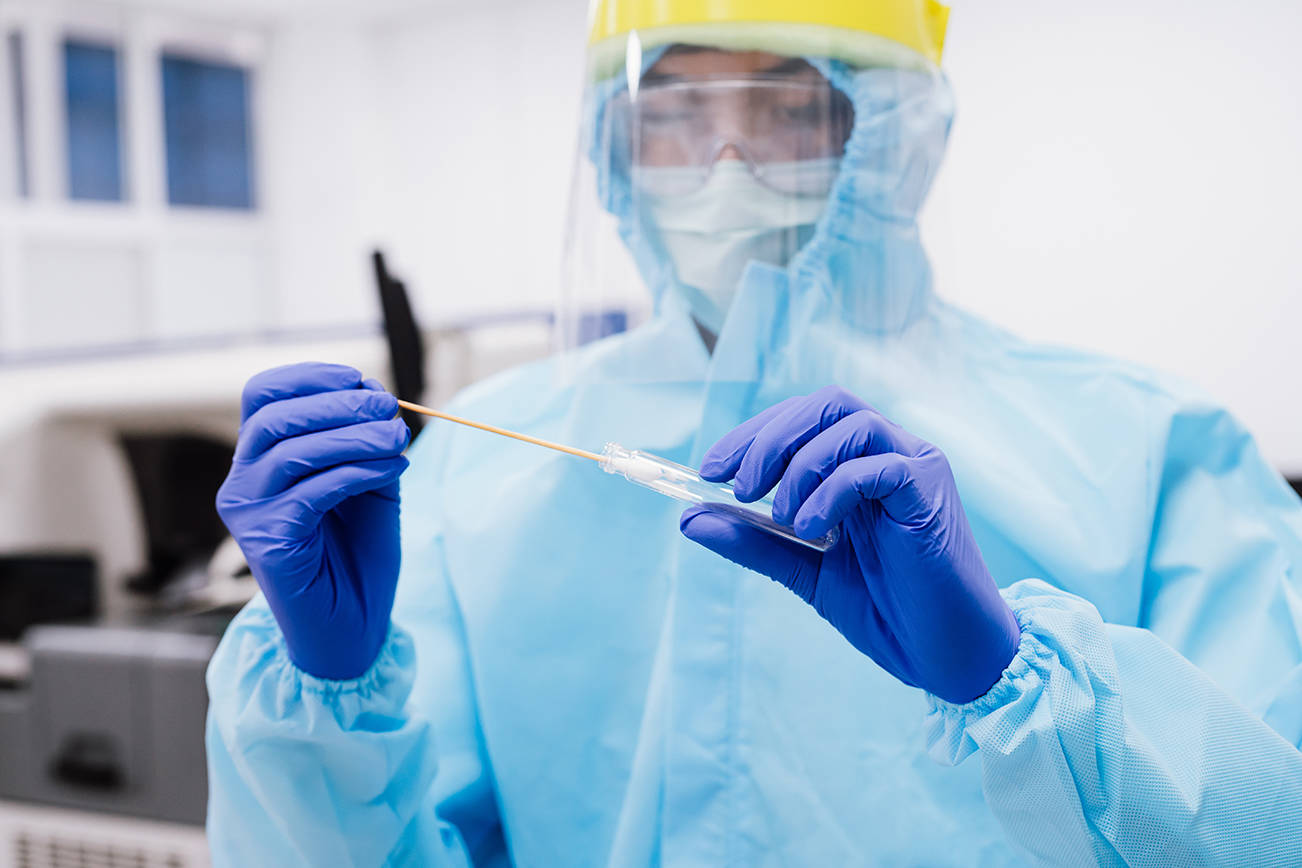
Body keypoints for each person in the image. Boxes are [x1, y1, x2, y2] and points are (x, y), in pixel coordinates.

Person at [206, 2, 1302, 865]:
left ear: (895, 133)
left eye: (787, 105)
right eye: (671, 114)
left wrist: (1020, 688)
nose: (724, 163)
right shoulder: (490, 451)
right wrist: (325, 708)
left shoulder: (1152, 449)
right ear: (611, 146)